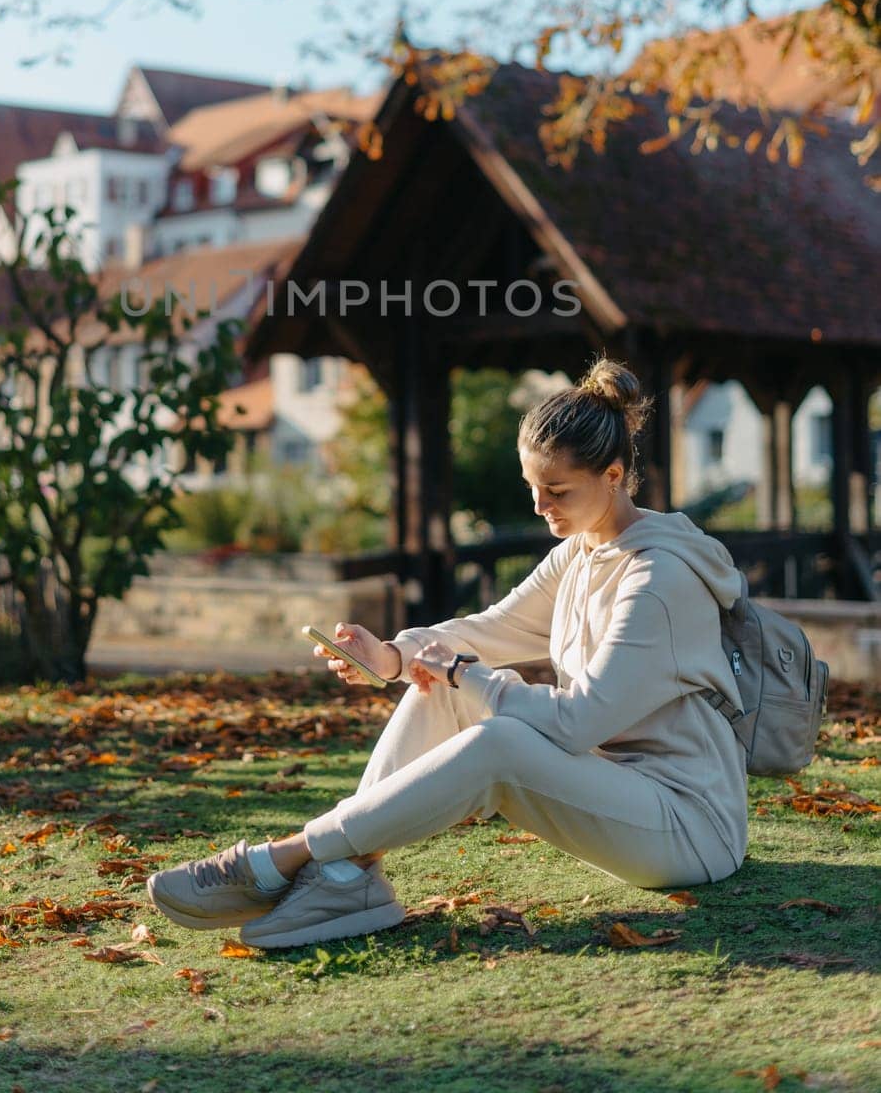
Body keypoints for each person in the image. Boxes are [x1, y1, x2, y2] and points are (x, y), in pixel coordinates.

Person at [147, 357, 748, 950]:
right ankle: (345, 875)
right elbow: (491, 629)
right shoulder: (583, 551)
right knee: (440, 691)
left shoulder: (658, 579)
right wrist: (391, 657)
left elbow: (578, 721)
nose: (541, 507)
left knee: (496, 738)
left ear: (614, 477)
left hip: (688, 826)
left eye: (557, 490)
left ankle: (286, 858)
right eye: (533, 488)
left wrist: (472, 675)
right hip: (619, 790)